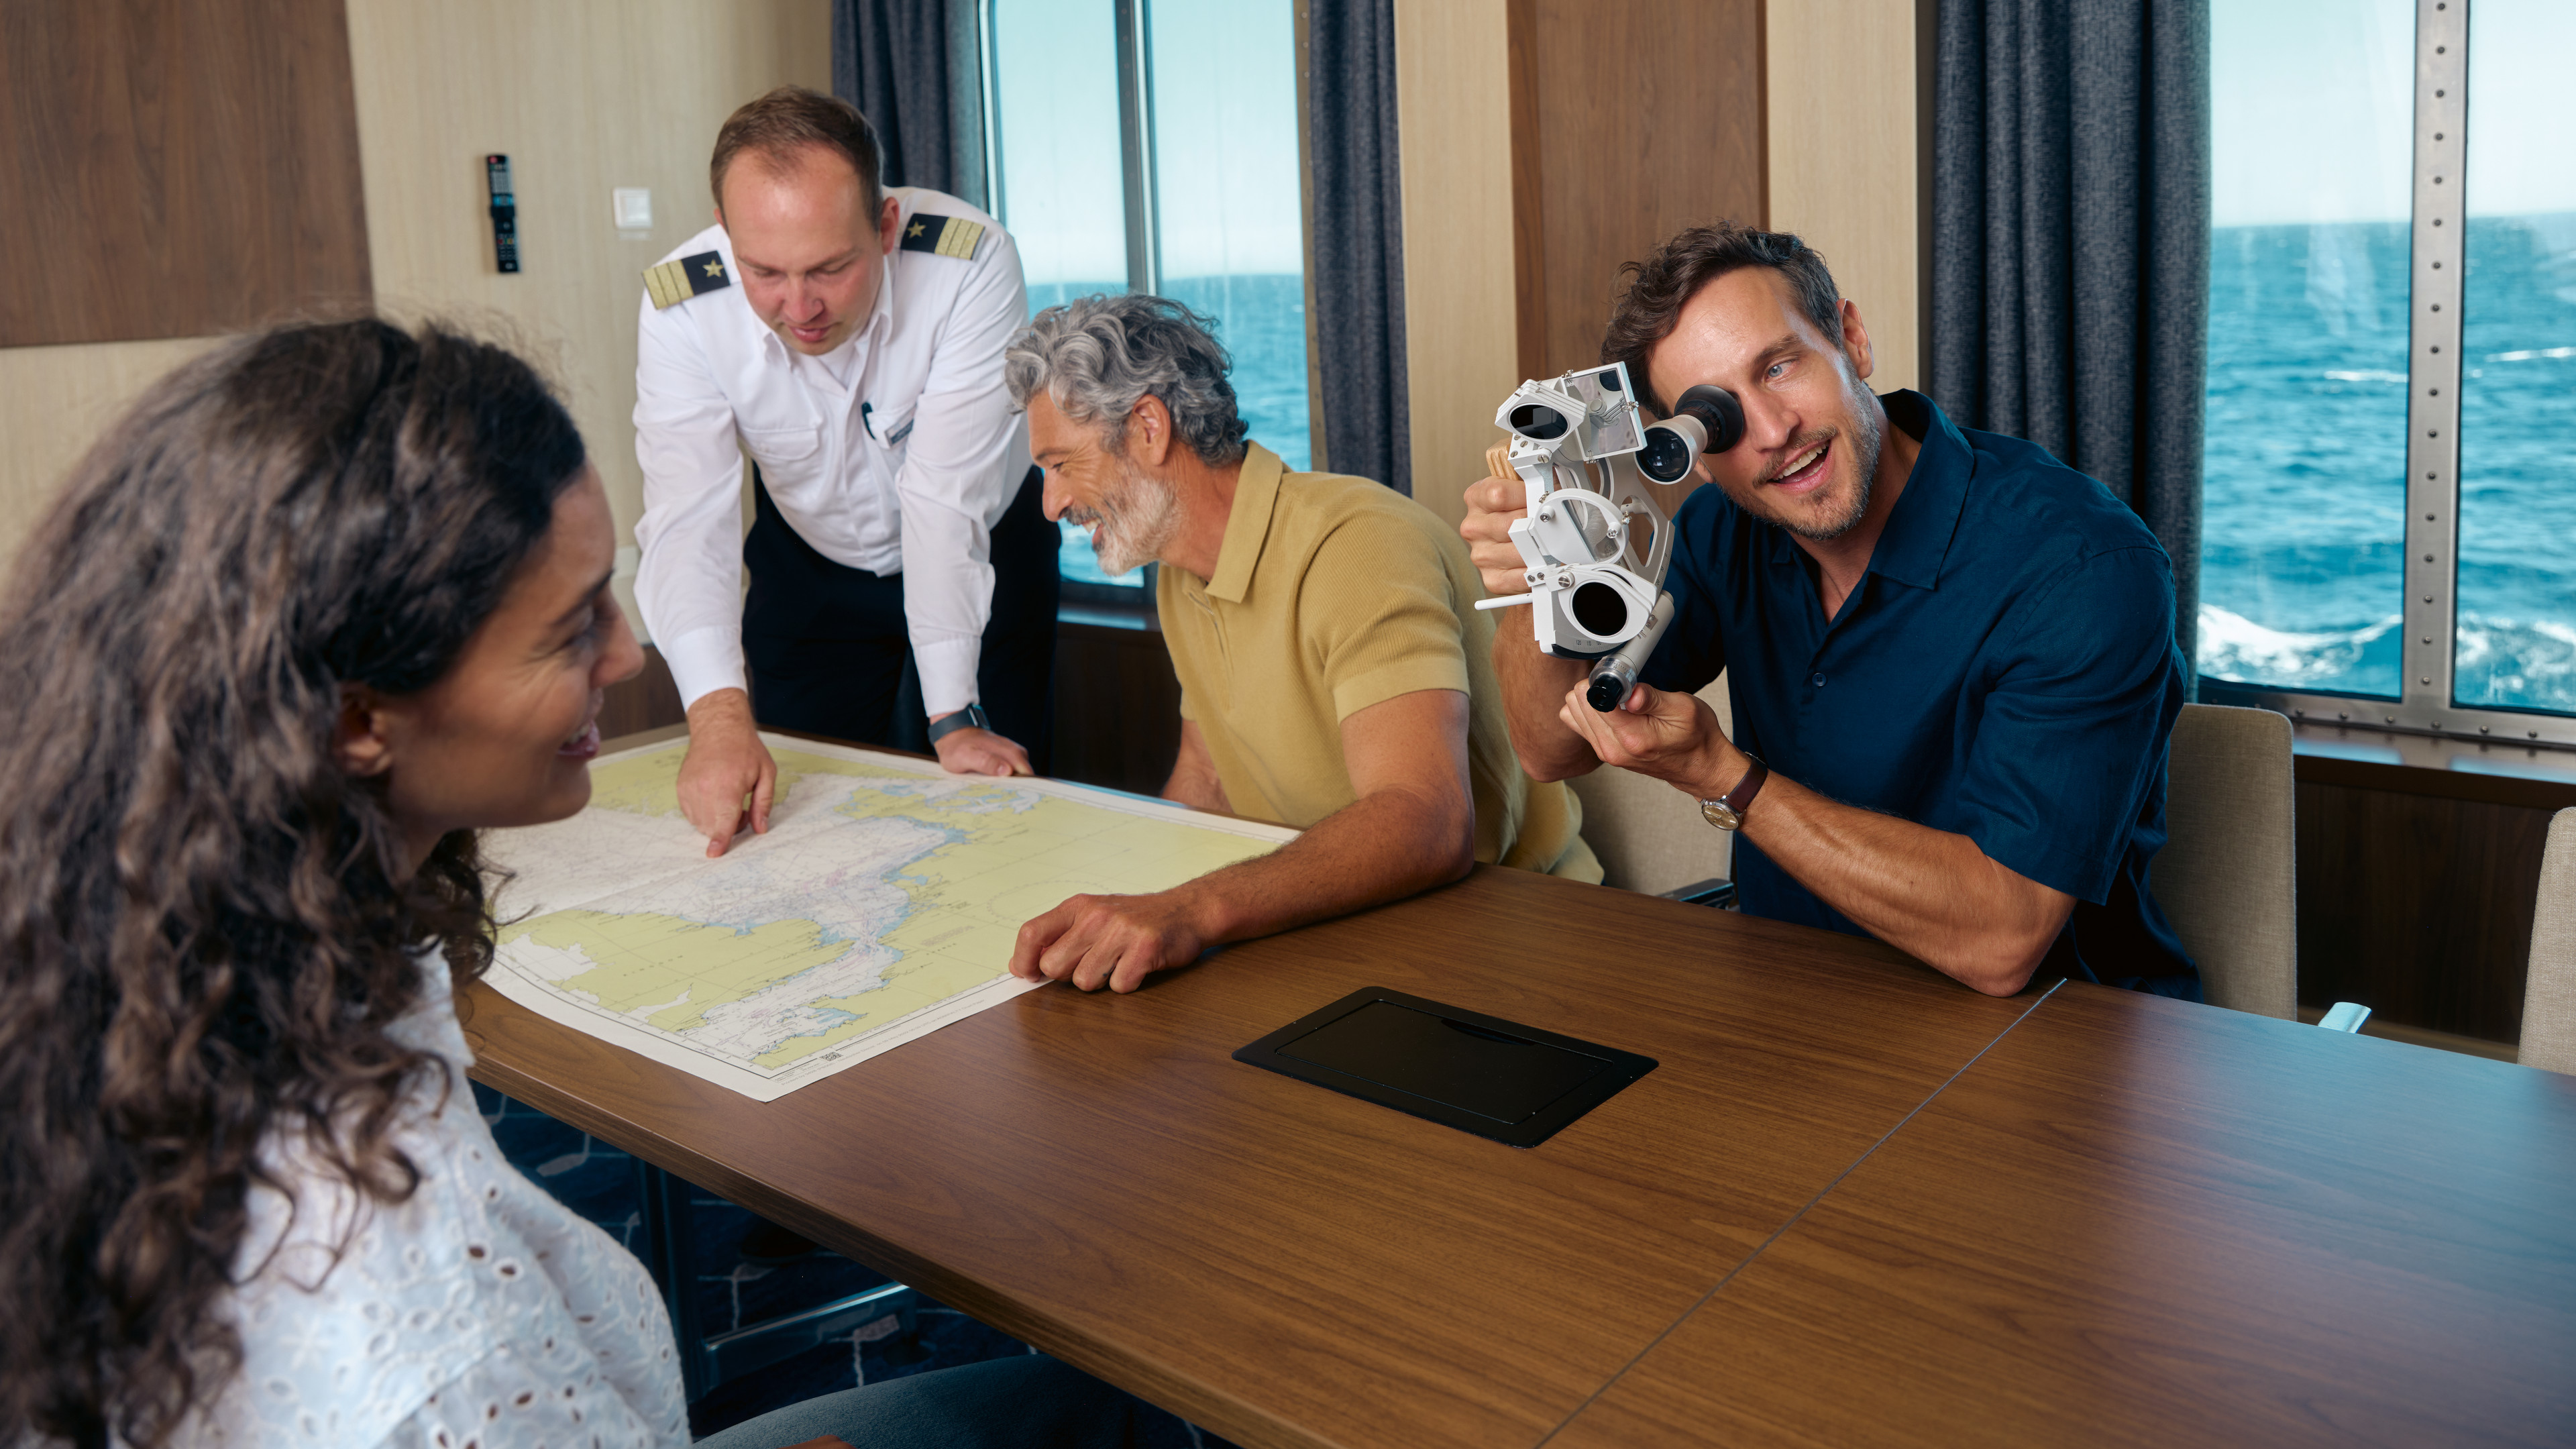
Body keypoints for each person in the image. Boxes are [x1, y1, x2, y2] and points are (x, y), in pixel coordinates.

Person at [0, 321, 1135, 1449]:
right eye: (567, 629)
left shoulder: (168, 965)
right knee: (1076, 1407)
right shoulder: (415, 1329)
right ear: (357, 717)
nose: (626, 655)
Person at [1463, 223, 2196, 1000]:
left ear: (1852, 339)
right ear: (1694, 453)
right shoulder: (1724, 533)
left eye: (1780, 367)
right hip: (1801, 1008)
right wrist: (1541, 574)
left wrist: (1726, 779)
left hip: (2048, 1040)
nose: (1775, 433)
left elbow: (2003, 939)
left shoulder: (2081, 567)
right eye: (1717, 415)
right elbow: (1553, 750)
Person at [1002, 295, 1600, 994]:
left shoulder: (1355, 544)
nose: (1049, 505)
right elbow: (1210, 779)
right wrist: (1129, 902)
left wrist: (1192, 908)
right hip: (1326, 934)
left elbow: (1426, 821)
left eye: (1060, 464)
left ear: (1146, 427)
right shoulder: (1179, 570)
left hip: (1498, 935)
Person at [635, 85, 1055, 860]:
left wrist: (954, 720)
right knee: (806, 827)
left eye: (830, 269)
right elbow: (686, 516)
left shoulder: (969, 261)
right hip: (809, 557)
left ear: (887, 226)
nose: (800, 308)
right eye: (764, 272)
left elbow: (942, 498)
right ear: (726, 238)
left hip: (983, 543)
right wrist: (719, 721)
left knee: (993, 815)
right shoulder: (682, 304)